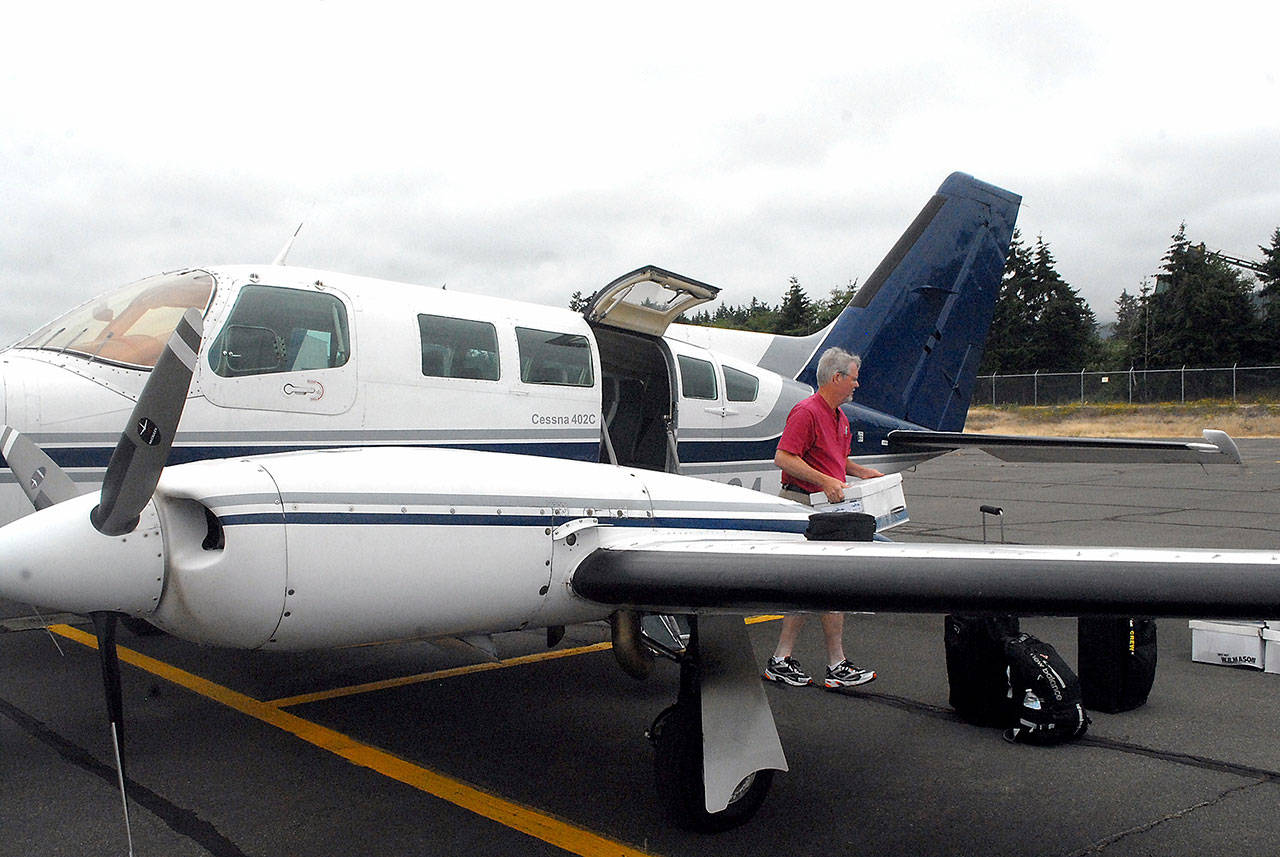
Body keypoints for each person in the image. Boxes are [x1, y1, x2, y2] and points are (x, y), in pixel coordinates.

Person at [763, 346, 884, 690]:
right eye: (854, 379)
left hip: (827, 510)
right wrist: (826, 481)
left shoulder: (839, 418)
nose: (856, 385)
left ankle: (812, 661)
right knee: (816, 584)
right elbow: (784, 457)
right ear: (837, 378)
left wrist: (862, 472)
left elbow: (837, 460)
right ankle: (816, 662)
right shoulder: (806, 412)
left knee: (827, 585)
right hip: (804, 506)